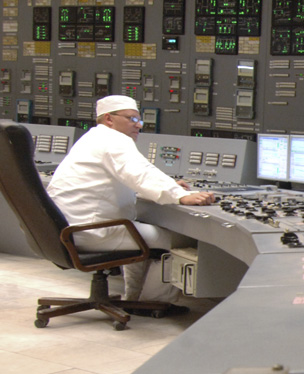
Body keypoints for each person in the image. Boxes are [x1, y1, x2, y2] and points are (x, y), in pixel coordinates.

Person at [47, 95, 216, 306]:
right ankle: (153, 302)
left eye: (139, 121)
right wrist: (180, 195)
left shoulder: (93, 139)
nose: (138, 126)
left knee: (140, 234)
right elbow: (139, 173)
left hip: (71, 229)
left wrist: (169, 186)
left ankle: (133, 298)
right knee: (176, 240)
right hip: (93, 231)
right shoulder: (113, 140)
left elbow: (124, 180)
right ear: (109, 119)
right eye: (132, 119)